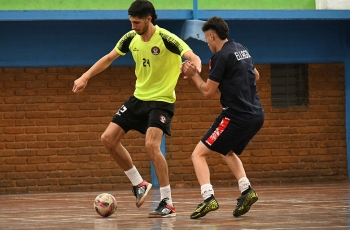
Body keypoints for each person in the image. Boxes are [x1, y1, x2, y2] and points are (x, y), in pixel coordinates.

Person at [72, 0, 201, 218]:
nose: (133, 26)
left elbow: (193, 56)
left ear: (149, 19)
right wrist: (85, 76)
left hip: (161, 100)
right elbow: (108, 58)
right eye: (131, 22)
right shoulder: (130, 38)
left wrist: (193, 68)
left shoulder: (167, 38)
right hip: (138, 98)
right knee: (108, 139)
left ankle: (167, 202)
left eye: (136, 22)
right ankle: (139, 183)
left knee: (151, 145)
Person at [181, 16, 264, 219]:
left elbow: (208, 92)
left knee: (198, 154)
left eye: (206, 39)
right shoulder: (241, 49)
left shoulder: (220, 57)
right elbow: (257, 76)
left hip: (236, 115)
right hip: (256, 114)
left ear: (211, 35)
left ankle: (208, 198)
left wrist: (193, 75)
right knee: (227, 151)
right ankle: (247, 191)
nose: (207, 43)